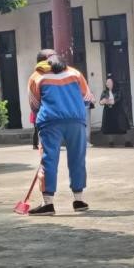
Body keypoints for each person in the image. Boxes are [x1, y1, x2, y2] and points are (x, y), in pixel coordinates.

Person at [28, 53, 95, 215]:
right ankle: (78, 201)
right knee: (77, 159)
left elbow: (34, 104)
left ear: (41, 61)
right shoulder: (74, 73)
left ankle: (48, 204)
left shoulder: (37, 76)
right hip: (76, 121)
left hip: (50, 122)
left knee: (48, 160)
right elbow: (87, 97)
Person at [99, 75, 133, 147]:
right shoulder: (105, 92)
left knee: (122, 127)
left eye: (109, 82)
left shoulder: (118, 91)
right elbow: (101, 102)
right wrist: (105, 101)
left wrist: (107, 101)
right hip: (108, 112)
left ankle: (127, 142)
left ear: (113, 83)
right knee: (109, 128)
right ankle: (111, 142)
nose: (107, 84)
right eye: (107, 82)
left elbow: (116, 100)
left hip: (118, 112)